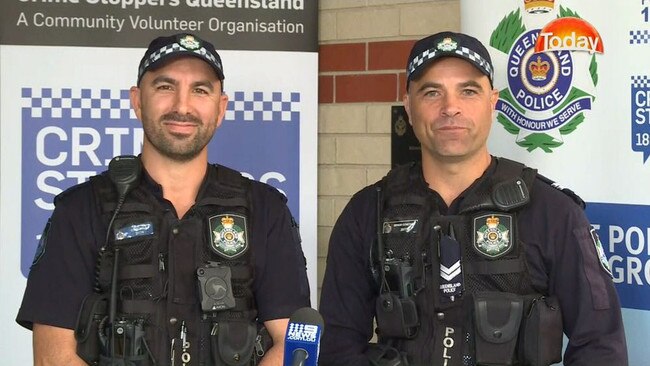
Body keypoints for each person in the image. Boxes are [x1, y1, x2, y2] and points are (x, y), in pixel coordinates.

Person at [318, 31, 627, 366]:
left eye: (468, 91)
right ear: (408, 106)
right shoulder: (369, 212)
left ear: (492, 102)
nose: (450, 108)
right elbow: (338, 343)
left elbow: (600, 345)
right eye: (432, 92)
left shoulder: (552, 213)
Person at [16, 33, 310, 366]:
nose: (182, 106)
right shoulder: (81, 210)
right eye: (165, 87)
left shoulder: (265, 210)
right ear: (138, 100)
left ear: (221, 108)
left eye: (200, 90)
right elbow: (52, 355)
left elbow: (296, 342)